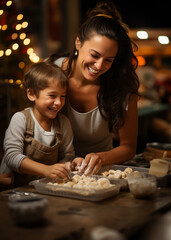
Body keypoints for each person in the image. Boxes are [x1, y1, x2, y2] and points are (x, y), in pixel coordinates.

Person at [47, 1, 140, 175]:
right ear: (78, 42)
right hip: (52, 169)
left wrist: (101, 158)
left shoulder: (122, 86)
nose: (98, 66)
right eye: (94, 55)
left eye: (108, 60)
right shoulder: (49, 71)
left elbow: (128, 147)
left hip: (98, 173)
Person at [0, 61, 76, 187]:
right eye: (52, 95)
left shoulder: (63, 123)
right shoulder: (20, 119)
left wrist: (68, 164)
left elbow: (67, 156)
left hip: (40, 186)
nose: (58, 102)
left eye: (62, 96)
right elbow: (12, 157)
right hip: (12, 186)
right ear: (32, 94)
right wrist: (46, 170)